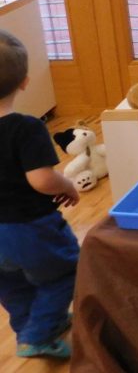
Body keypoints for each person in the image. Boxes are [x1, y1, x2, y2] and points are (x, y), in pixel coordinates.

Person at [0, 30, 79, 360]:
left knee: (12, 285)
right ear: (24, 82)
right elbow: (42, 179)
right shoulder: (26, 128)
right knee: (65, 272)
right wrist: (68, 185)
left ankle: (29, 329)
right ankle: (39, 334)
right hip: (28, 228)